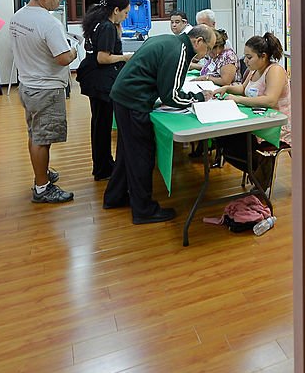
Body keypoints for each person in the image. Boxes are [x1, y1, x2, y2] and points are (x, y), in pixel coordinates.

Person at [104, 24, 215, 224]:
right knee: (141, 155)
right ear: (198, 42)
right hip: (133, 101)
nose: (206, 54)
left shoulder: (170, 41)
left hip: (123, 97)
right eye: (208, 48)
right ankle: (144, 210)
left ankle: (115, 196)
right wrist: (198, 98)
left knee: (126, 152)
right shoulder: (180, 51)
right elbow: (170, 95)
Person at [10, 0, 77, 204]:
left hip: (27, 85)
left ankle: (42, 174)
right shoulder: (49, 23)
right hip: (46, 89)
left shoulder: (18, 16)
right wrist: (74, 51)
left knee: (35, 134)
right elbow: (63, 58)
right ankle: (42, 187)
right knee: (42, 139)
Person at [212, 32, 291, 190]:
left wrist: (238, 100)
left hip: (277, 127)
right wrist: (227, 88)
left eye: (249, 57)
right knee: (223, 137)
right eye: (245, 57)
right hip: (257, 120)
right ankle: (256, 169)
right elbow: (242, 89)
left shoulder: (274, 71)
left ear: (263, 56)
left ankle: (260, 170)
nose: (245, 61)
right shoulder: (254, 71)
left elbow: (270, 100)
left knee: (234, 140)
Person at [77, 0, 133, 181]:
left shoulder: (98, 22)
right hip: (101, 80)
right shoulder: (107, 27)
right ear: (116, 10)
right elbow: (103, 58)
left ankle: (103, 164)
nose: (126, 17)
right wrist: (126, 57)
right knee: (102, 125)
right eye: (125, 13)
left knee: (99, 124)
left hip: (93, 77)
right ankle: (103, 168)